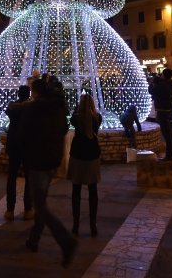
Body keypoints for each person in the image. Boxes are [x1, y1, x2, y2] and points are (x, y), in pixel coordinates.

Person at [18, 78, 77, 268]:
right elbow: (63, 130)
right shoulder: (59, 107)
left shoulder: (33, 109)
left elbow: (24, 134)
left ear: (35, 92)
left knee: (40, 205)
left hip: (38, 161)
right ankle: (34, 239)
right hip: (53, 159)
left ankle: (66, 241)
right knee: (40, 200)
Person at [67, 93, 102, 237]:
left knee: (76, 190)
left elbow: (73, 117)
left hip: (78, 155)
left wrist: (77, 107)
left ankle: (76, 224)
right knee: (93, 190)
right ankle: (93, 225)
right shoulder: (98, 118)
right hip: (92, 155)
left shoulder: (76, 118)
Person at [4, 84, 33, 221]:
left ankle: (10, 209)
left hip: (13, 143)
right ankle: (28, 209)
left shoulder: (12, 107)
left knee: (11, 177)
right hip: (27, 145)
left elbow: (7, 112)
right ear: (28, 94)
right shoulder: (31, 108)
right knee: (29, 178)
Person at [148, 68, 172, 161]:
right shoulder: (170, 83)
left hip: (162, 110)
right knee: (169, 134)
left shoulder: (162, 85)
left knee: (167, 134)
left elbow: (151, 91)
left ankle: (169, 156)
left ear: (164, 75)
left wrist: (152, 83)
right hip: (167, 110)